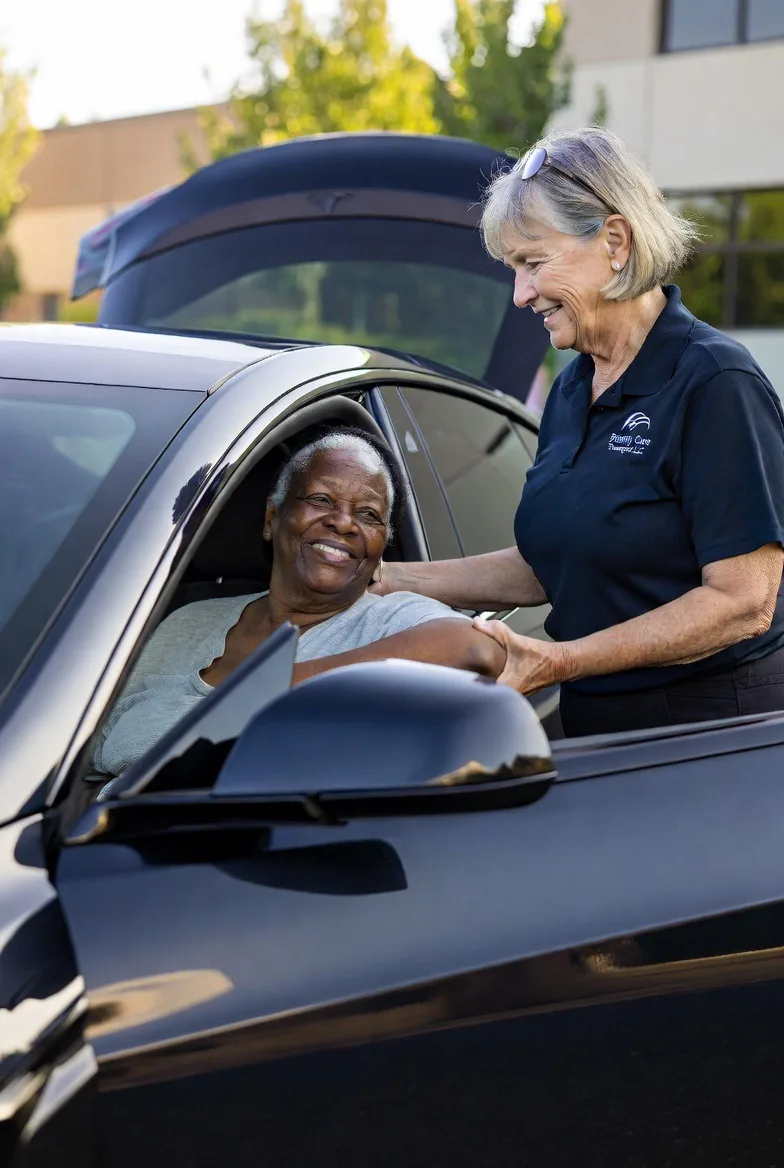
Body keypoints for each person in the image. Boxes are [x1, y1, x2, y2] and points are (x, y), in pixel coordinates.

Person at [372, 127, 784, 737]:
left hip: (708, 732)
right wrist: (386, 581)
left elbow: (742, 603)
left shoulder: (715, 380)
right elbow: (554, 564)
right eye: (514, 268)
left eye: (533, 264)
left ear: (615, 241)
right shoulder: (572, 387)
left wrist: (560, 660)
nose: (519, 294)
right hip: (595, 717)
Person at [92, 427, 505, 775]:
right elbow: (88, 757)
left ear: (382, 545)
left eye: (368, 514)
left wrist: (274, 685)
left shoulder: (389, 621)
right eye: (321, 500)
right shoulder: (187, 621)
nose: (343, 522)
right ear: (272, 519)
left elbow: (476, 649)